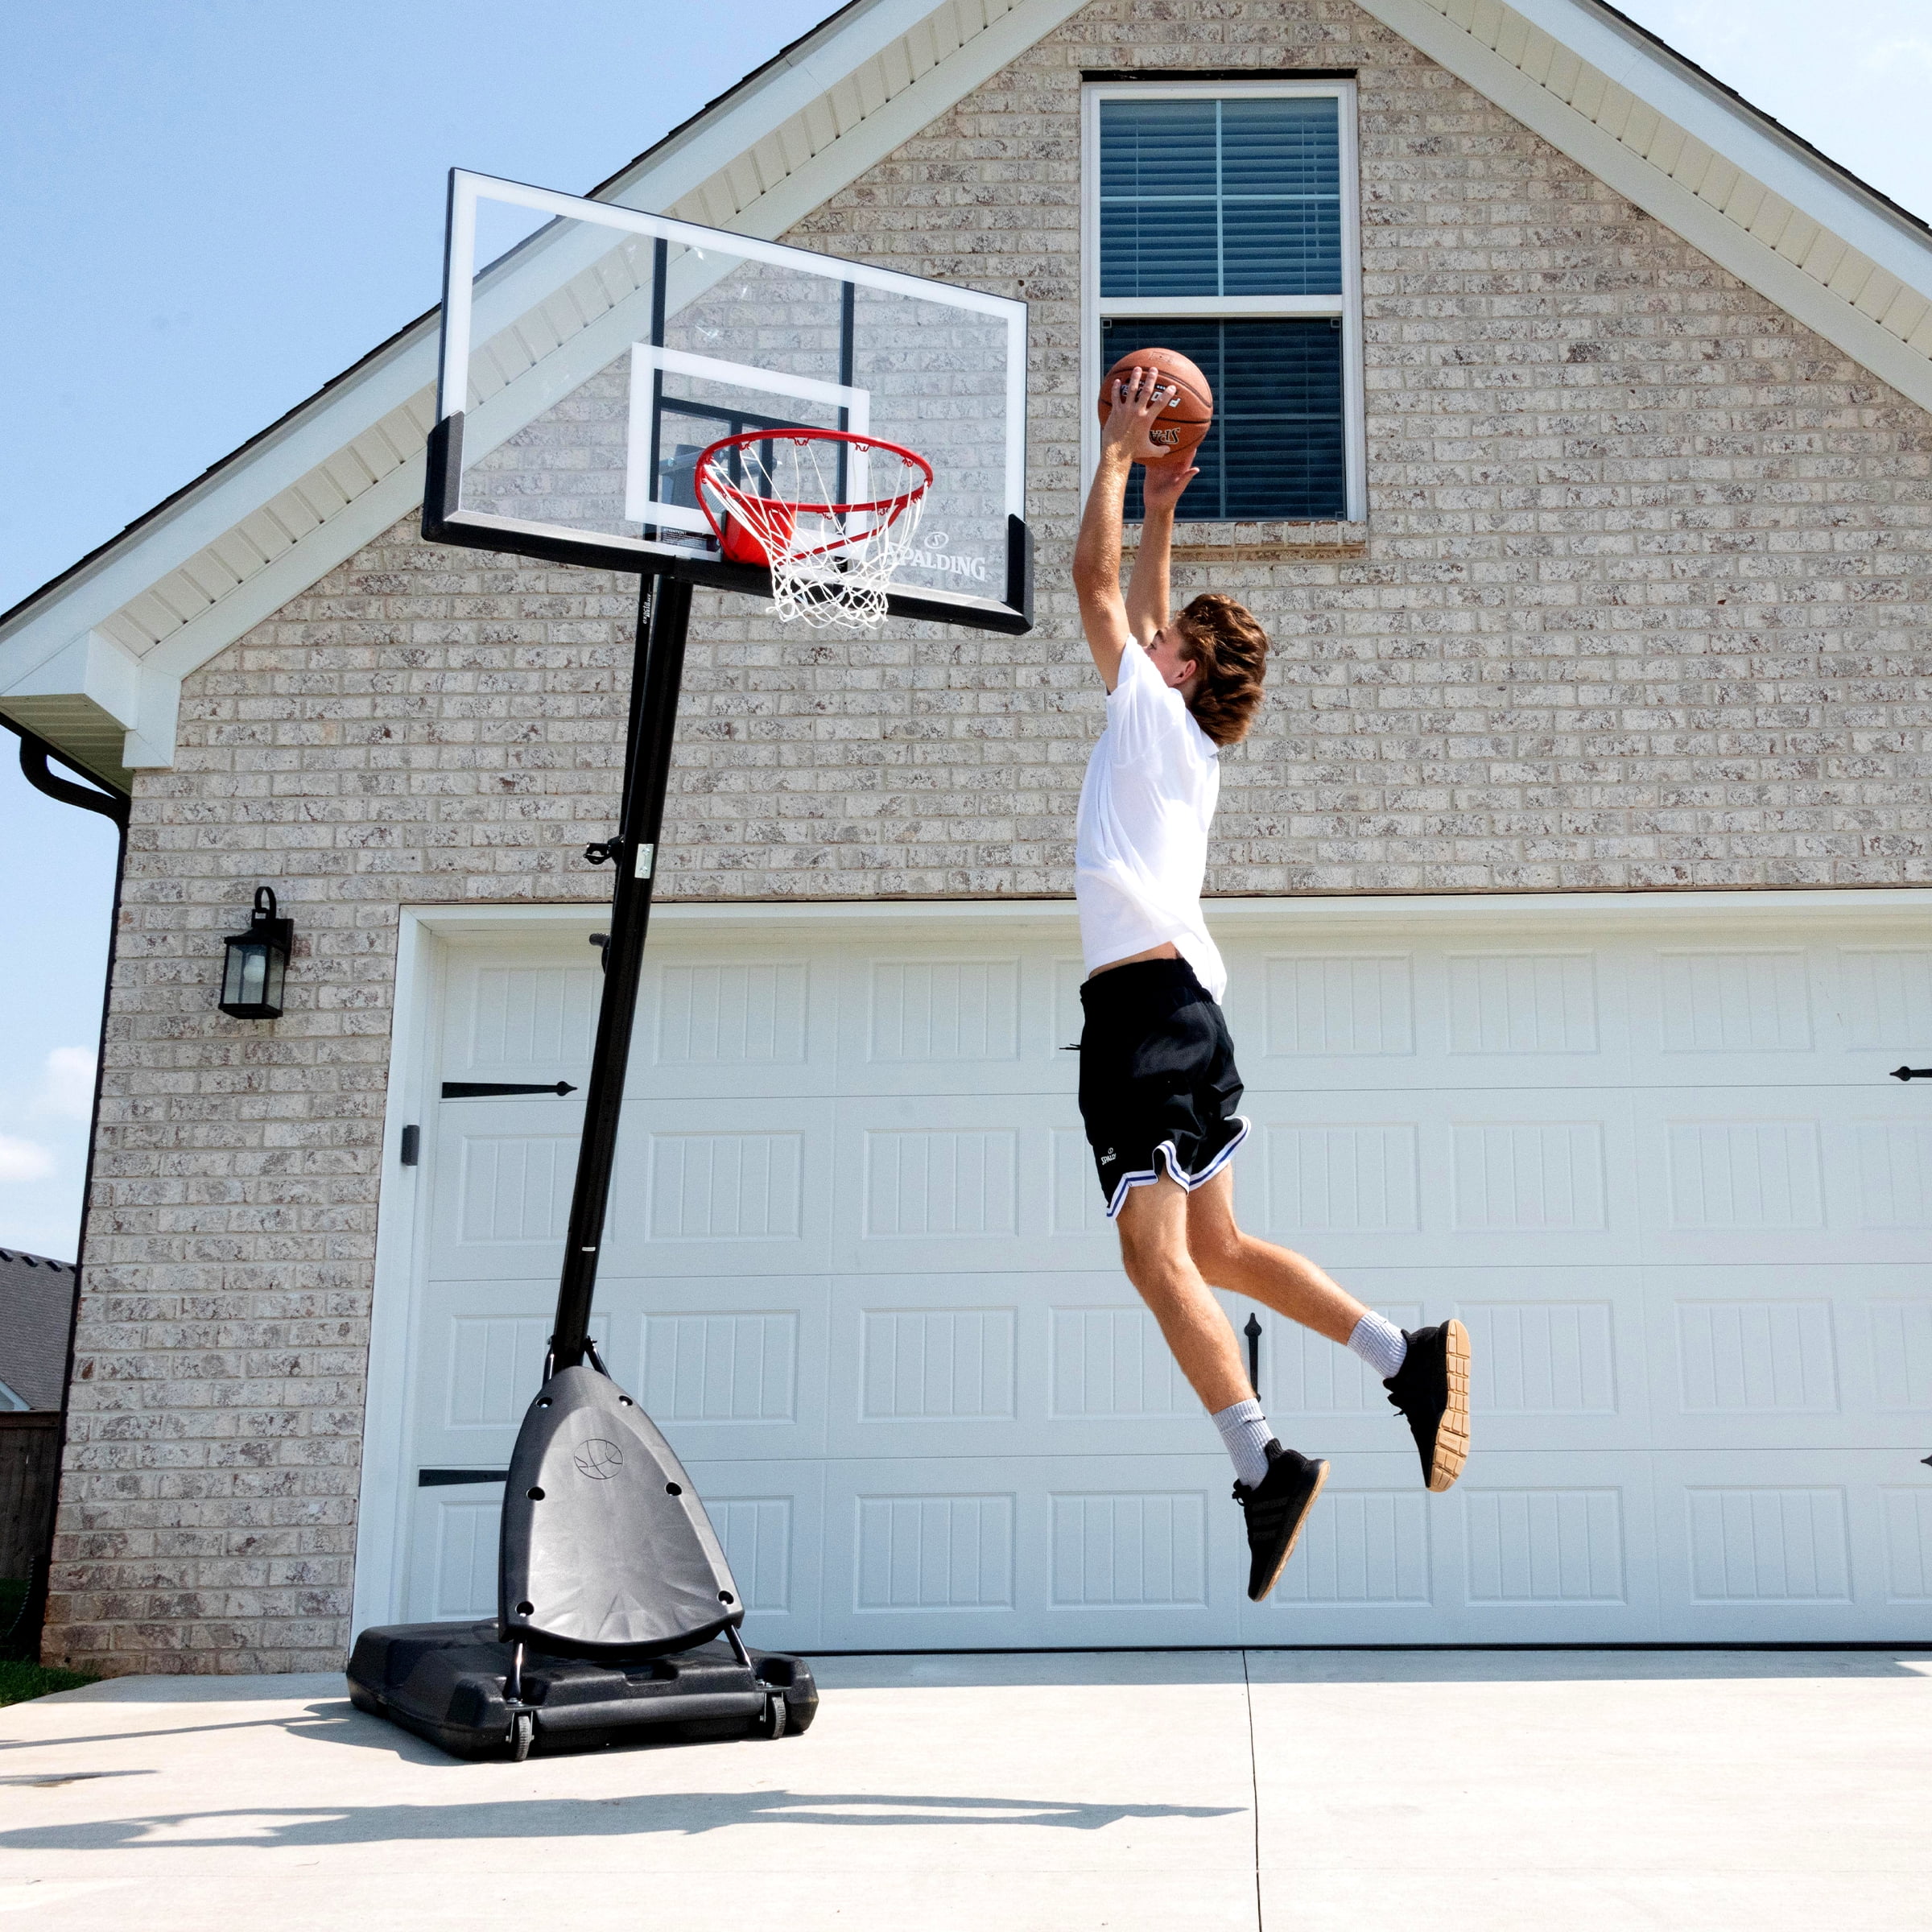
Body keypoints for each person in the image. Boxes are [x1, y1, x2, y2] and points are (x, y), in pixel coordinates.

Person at [1071, 365, 1472, 1602]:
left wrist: (1116, 457)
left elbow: (1094, 586)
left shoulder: (1149, 713)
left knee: (1157, 1260)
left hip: (1140, 1012)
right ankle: (1401, 1353)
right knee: (1219, 1243)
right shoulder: (1180, 733)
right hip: (1192, 1007)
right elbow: (1141, 605)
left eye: (1170, 642)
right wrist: (1169, 508)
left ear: (1182, 670)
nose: (1152, 638)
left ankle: (1264, 1465)